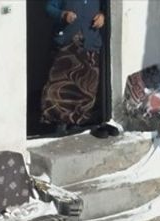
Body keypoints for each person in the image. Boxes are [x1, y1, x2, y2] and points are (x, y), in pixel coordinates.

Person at [39, 0, 105, 136]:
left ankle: (77, 122)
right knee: (60, 84)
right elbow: (49, 8)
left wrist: (102, 16)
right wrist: (63, 14)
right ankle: (59, 122)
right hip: (67, 43)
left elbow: (103, 8)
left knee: (86, 85)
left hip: (90, 43)